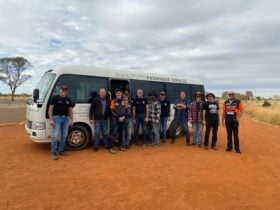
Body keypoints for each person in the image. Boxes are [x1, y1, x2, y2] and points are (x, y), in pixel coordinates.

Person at [48, 85, 74, 160]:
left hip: (66, 119)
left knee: (64, 135)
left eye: (65, 90)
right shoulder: (55, 98)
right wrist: (51, 119)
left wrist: (72, 120)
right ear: (60, 90)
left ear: (67, 91)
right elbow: (50, 109)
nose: (64, 91)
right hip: (57, 118)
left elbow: (70, 110)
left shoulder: (68, 99)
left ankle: (61, 151)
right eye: (63, 90)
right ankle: (54, 153)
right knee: (55, 136)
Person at [89, 88, 116, 154]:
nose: (103, 94)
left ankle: (107, 145)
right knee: (97, 133)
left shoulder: (108, 101)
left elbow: (110, 111)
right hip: (97, 120)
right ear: (99, 93)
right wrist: (91, 118)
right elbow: (91, 109)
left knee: (105, 133)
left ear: (105, 93)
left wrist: (111, 118)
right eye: (101, 92)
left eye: (104, 92)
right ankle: (96, 146)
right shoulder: (95, 100)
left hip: (105, 120)